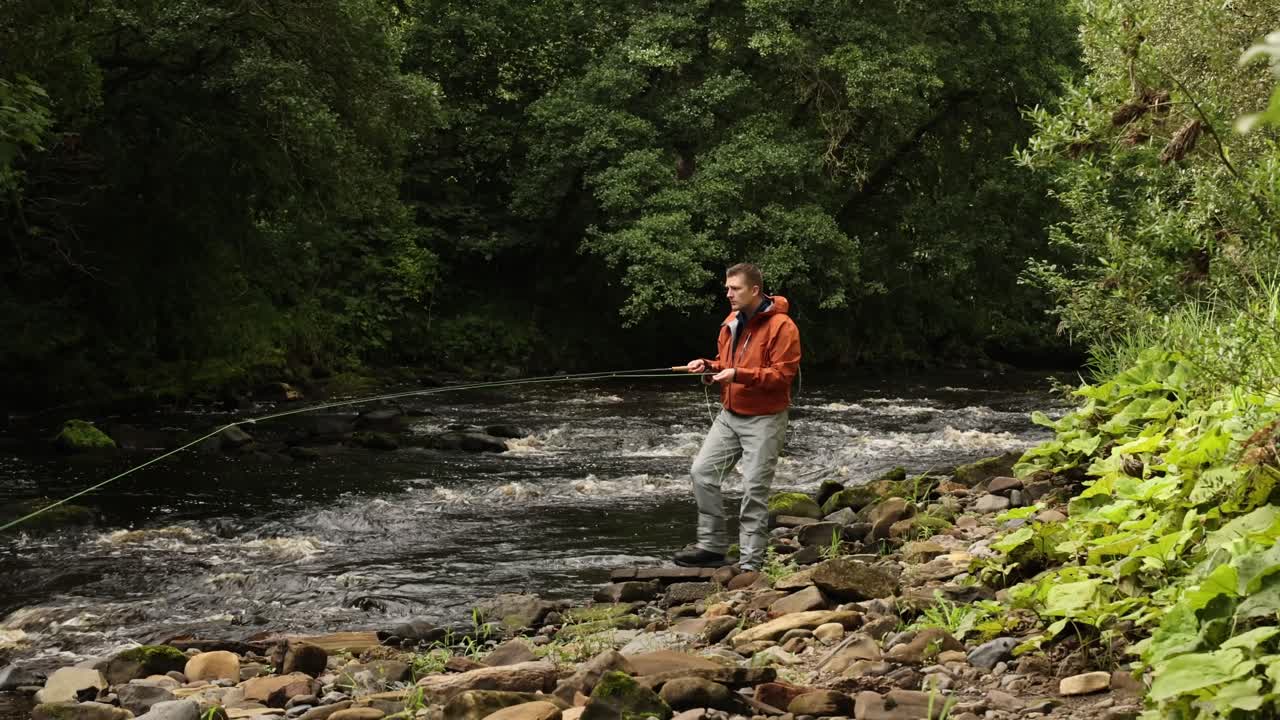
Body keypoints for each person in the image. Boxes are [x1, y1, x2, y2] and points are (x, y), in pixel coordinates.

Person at [674, 263, 801, 571]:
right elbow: (725, 363)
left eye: (735, 288)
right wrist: (708, 366)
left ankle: (750, 564)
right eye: (727, 288)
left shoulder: (782, 327)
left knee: (754, 490)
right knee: (702, 473)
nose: (728, 294)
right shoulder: (731, 321)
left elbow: (782, 376)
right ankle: (712, 547)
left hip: (766, 419)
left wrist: (738, 374)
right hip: (729, 415)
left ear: (754, 290)